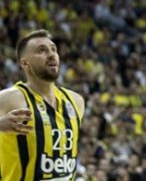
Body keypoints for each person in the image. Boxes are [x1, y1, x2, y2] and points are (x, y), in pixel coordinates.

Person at [0, 29, 85, 180]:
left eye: (54, 49)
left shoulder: (76, 101)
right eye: (42, 50)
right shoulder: (10, 99)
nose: (52, 54)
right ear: (25, 64)